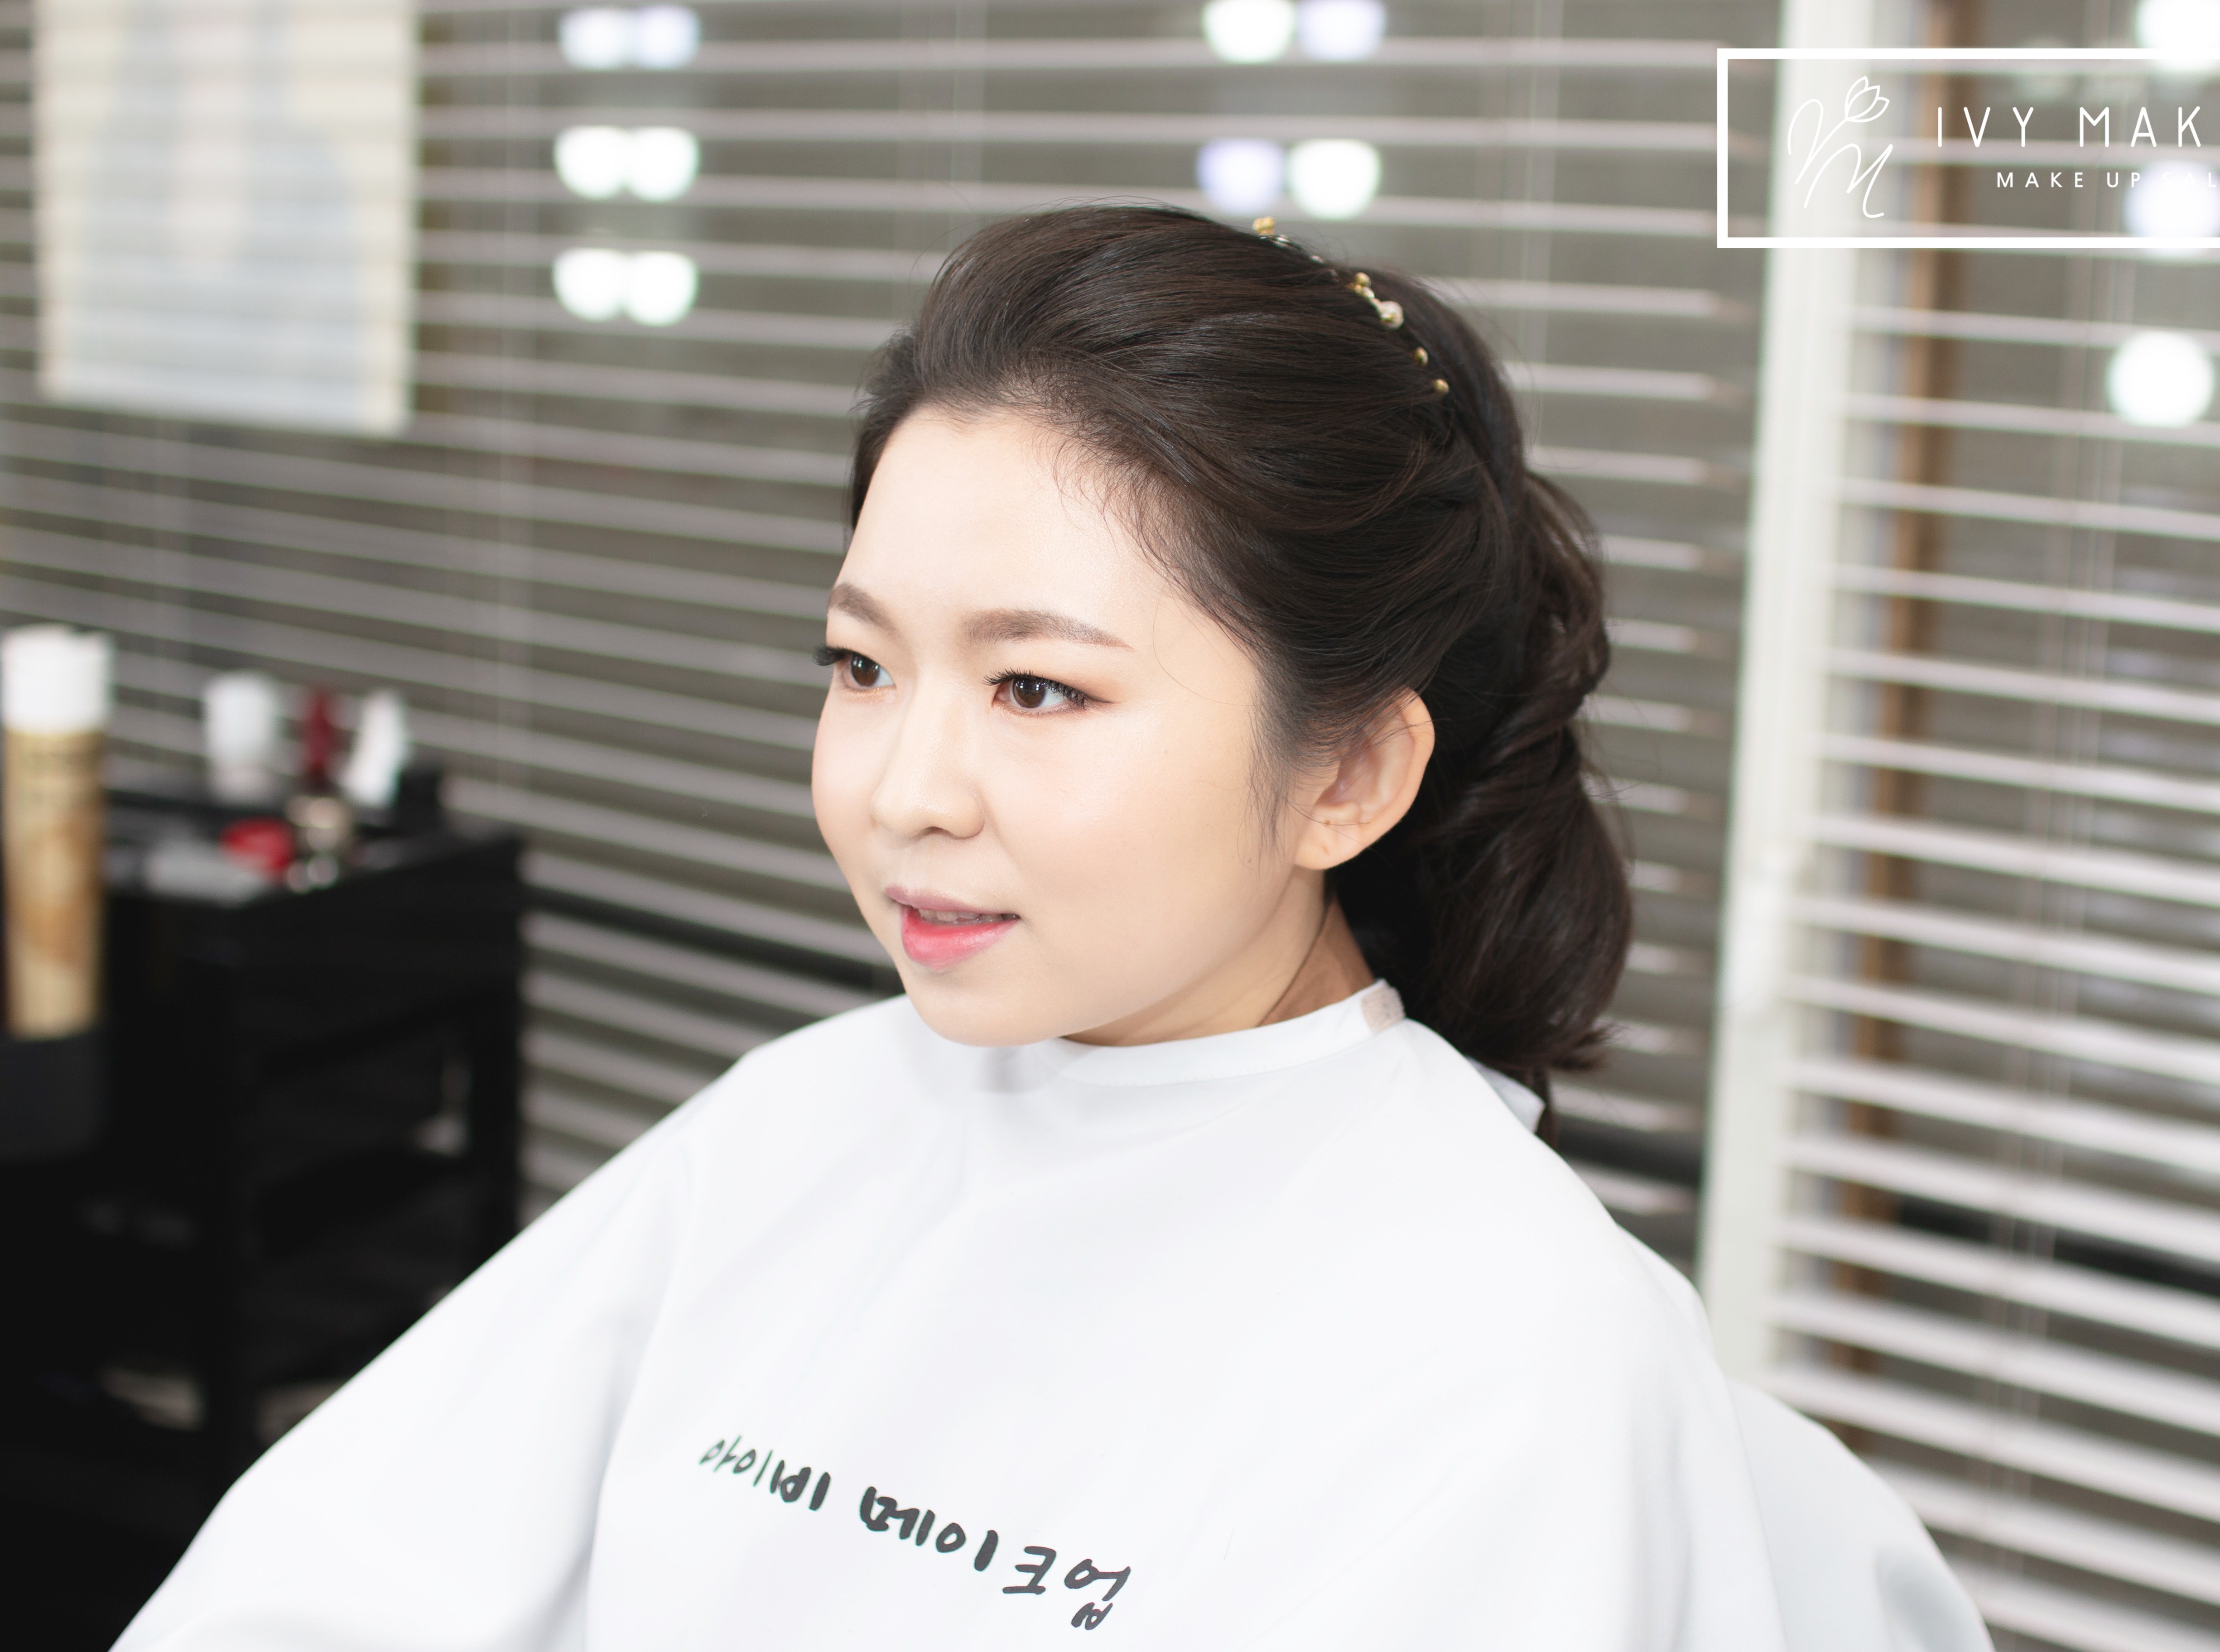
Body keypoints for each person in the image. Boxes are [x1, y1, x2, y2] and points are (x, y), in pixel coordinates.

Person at [116, 205, 1797, 1649]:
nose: (905, 790)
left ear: (1346, 773)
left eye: (1038, 687)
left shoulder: (1511, 1349)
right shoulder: (798, 1123)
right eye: (862, 666)